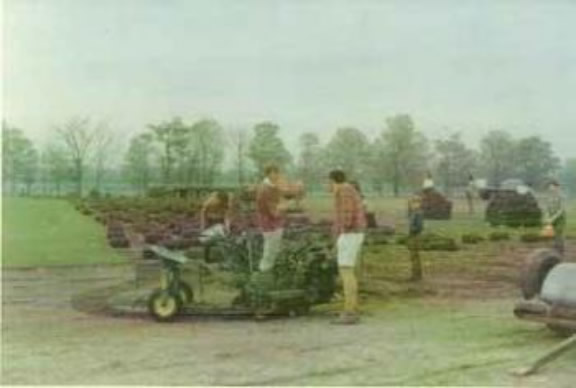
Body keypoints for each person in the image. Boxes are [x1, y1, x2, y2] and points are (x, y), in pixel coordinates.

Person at [329, 169, 366, 325]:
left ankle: (350, 312)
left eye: (329, 182)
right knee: (349, 271)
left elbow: (347, 215)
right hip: (354, 233)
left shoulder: (344, 190)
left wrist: (341, 232)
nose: (328, 186)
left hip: (350, 234)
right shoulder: (349, 189)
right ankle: (352, 307)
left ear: (333, 181)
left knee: (346, 271)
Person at [255, 164, 286, 272]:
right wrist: (280, 209)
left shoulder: (274, 187)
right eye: (273, 173)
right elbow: (267, 207)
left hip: (275, 220)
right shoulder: (264, 188)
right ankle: (264, 270)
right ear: (268, 174)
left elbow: (278, 202)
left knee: (275, 246)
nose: (276, 175)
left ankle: (269, 269)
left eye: (277, 172)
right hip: (268, 221)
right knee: (269, 247)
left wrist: (280, 208)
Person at [543, 180, 566, 255]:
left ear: (557, 187)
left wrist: (553, 218)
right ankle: (555, 248)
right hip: (550, 217)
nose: (551, 188)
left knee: (559, 233)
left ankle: (561, 249)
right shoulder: (548, 196)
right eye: (550, 186)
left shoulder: (561, 196)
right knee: (552, 233)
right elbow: (546, 207)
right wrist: (547, 217)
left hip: (559, 218)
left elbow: (561, 209)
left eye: (552, 186)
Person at [407, 194, 424, 281]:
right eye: (411, 203)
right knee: (413, 256)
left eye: (414, 203)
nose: (412, 205)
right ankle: (414, 274)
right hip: (412, 235)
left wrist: (413, 229)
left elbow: (420, 227)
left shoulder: (418, 214)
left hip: (416, 236)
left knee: (415, 256)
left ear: (419, 204)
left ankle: (417, 275)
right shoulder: (413, 213)